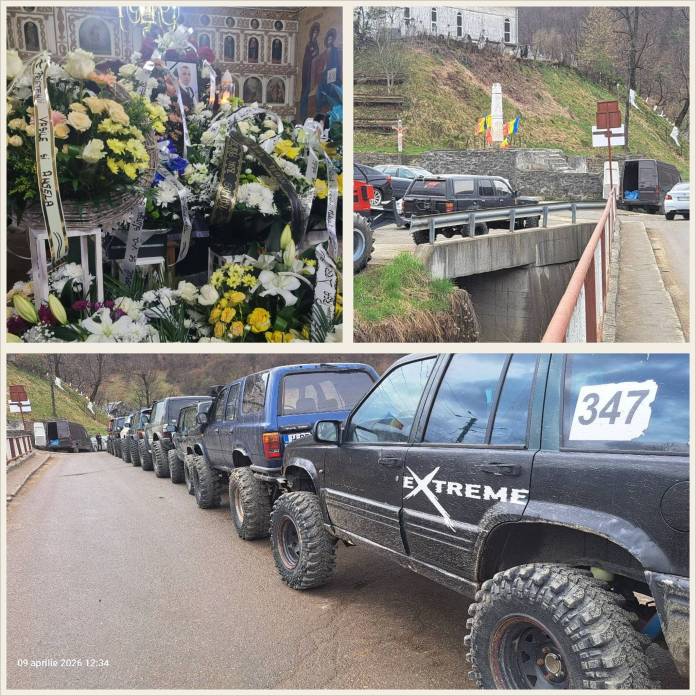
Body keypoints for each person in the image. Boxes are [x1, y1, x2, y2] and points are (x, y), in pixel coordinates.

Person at [299, 23, 320, 121]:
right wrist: (313, 55)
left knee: (309, 92)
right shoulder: (309, 44)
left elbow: (317, 55)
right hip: (308, 71)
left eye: (317, 32)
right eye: (314, 32)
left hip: (313, 70)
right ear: (312, 33)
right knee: (305, 92)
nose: (315, 34)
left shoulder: (315, 43)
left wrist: (316, 55)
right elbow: (308, 57)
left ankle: (306, 115)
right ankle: (303, 115)